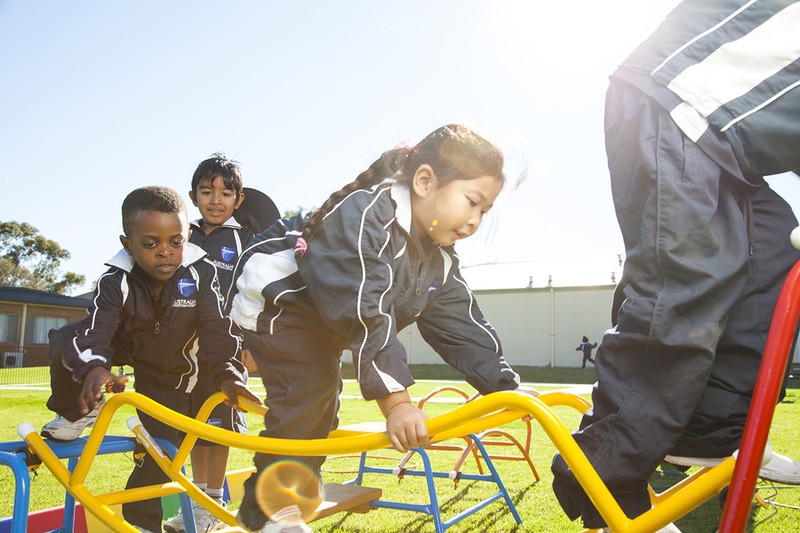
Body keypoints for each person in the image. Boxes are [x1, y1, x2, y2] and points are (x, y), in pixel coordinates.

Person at [550, 2, 800, 531]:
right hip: (674, 99)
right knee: (688, 283)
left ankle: (707, 436)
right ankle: (601, 478)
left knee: (776, 259)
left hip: (736, 149)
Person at [227, 124, 537, 533]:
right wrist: (397, 402)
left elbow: (460, 322)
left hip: (325, 319)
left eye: (485, 211)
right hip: (280, 302)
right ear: (425, 181)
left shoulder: (436, 256)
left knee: (324, 405)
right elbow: (366, 309)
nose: (475, 221)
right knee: (310, 392)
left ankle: (293, 484)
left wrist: (503, 383)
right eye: (472, 202)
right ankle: (269, 511)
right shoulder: (367, 214)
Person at [41, 186, 261, 533]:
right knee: (67, 338)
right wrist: (96, 369)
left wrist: (228, 376)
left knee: (160, 453)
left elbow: (218, 331)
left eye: (176, 242)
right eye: (150, 244)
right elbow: (98, 332)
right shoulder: (115, 280)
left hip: (169, 372)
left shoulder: (201, 273)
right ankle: (78, 410)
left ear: (187, 236)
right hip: (126, 346)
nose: (166, 253)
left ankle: (142, 525)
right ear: (128, 244)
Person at [163, 153, 280, 533]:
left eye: (225, 192)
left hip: (225, 348)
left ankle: (214, 501)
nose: (216, 199)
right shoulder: (182, 236)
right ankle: (199, 502)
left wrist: (250, 343)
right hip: (184, 350)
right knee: (193, 426)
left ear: (238, 199)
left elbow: (255, 293)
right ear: (192, 196)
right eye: (206, 191)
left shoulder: (246, 240)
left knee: (219, 423)